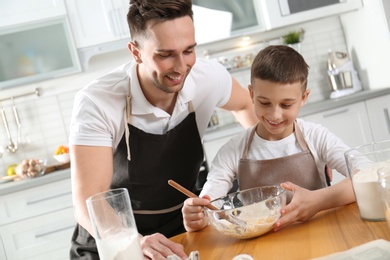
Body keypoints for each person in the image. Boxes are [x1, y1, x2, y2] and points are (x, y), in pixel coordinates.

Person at [68, 0, 257, 259]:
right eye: (165, 55)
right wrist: (136, 242)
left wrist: (284, 152)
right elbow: (89, 200)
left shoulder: (206, 77)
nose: (181, 67)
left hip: (180, 230)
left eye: (188, 50)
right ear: (136, 52)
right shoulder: (98, 102)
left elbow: (245, 105)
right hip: (115, 240)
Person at [182, 45, 356, 233]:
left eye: (286, 104)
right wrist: (198, 215)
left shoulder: (316, 137)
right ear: (251, 95)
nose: (275, 114)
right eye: (265, 103)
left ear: (304, 98)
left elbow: (366, 175)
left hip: (320, 234)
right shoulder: (234, 150)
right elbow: (209, 203)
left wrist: (318, 200)